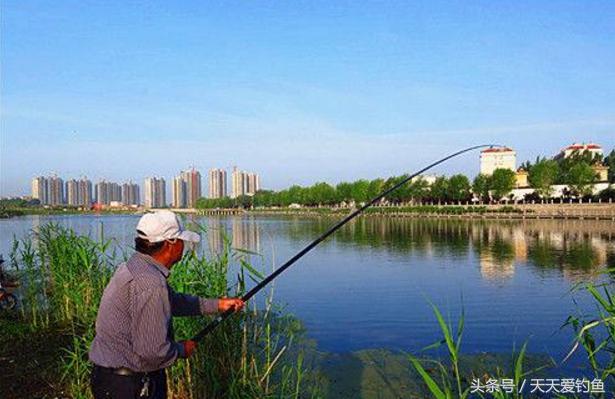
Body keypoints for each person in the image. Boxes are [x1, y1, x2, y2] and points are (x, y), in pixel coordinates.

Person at [89, 210, 244, 399]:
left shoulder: (136, 267)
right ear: (170, 244)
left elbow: (172, 302)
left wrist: (218, 304)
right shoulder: (151, 283)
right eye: (181, 240)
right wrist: (181, 350)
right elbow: (153, 352)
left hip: (109, 378)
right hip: (130, 386)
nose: (184, 246)